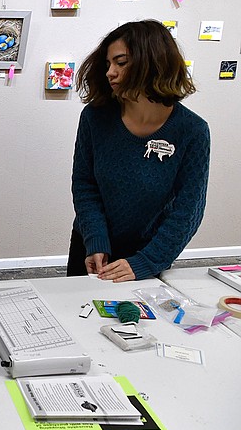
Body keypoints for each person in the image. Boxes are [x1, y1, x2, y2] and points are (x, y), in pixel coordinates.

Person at [68, 20, 210, 282]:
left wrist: (147, 261)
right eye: (108, 64)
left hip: (148, 252)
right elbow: (85, 185)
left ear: (153, 62)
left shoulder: (193, 131)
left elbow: (188, 209)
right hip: (92, 246)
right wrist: (96, 240)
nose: (110, 72)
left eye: (121, 63)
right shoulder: (94, 118)